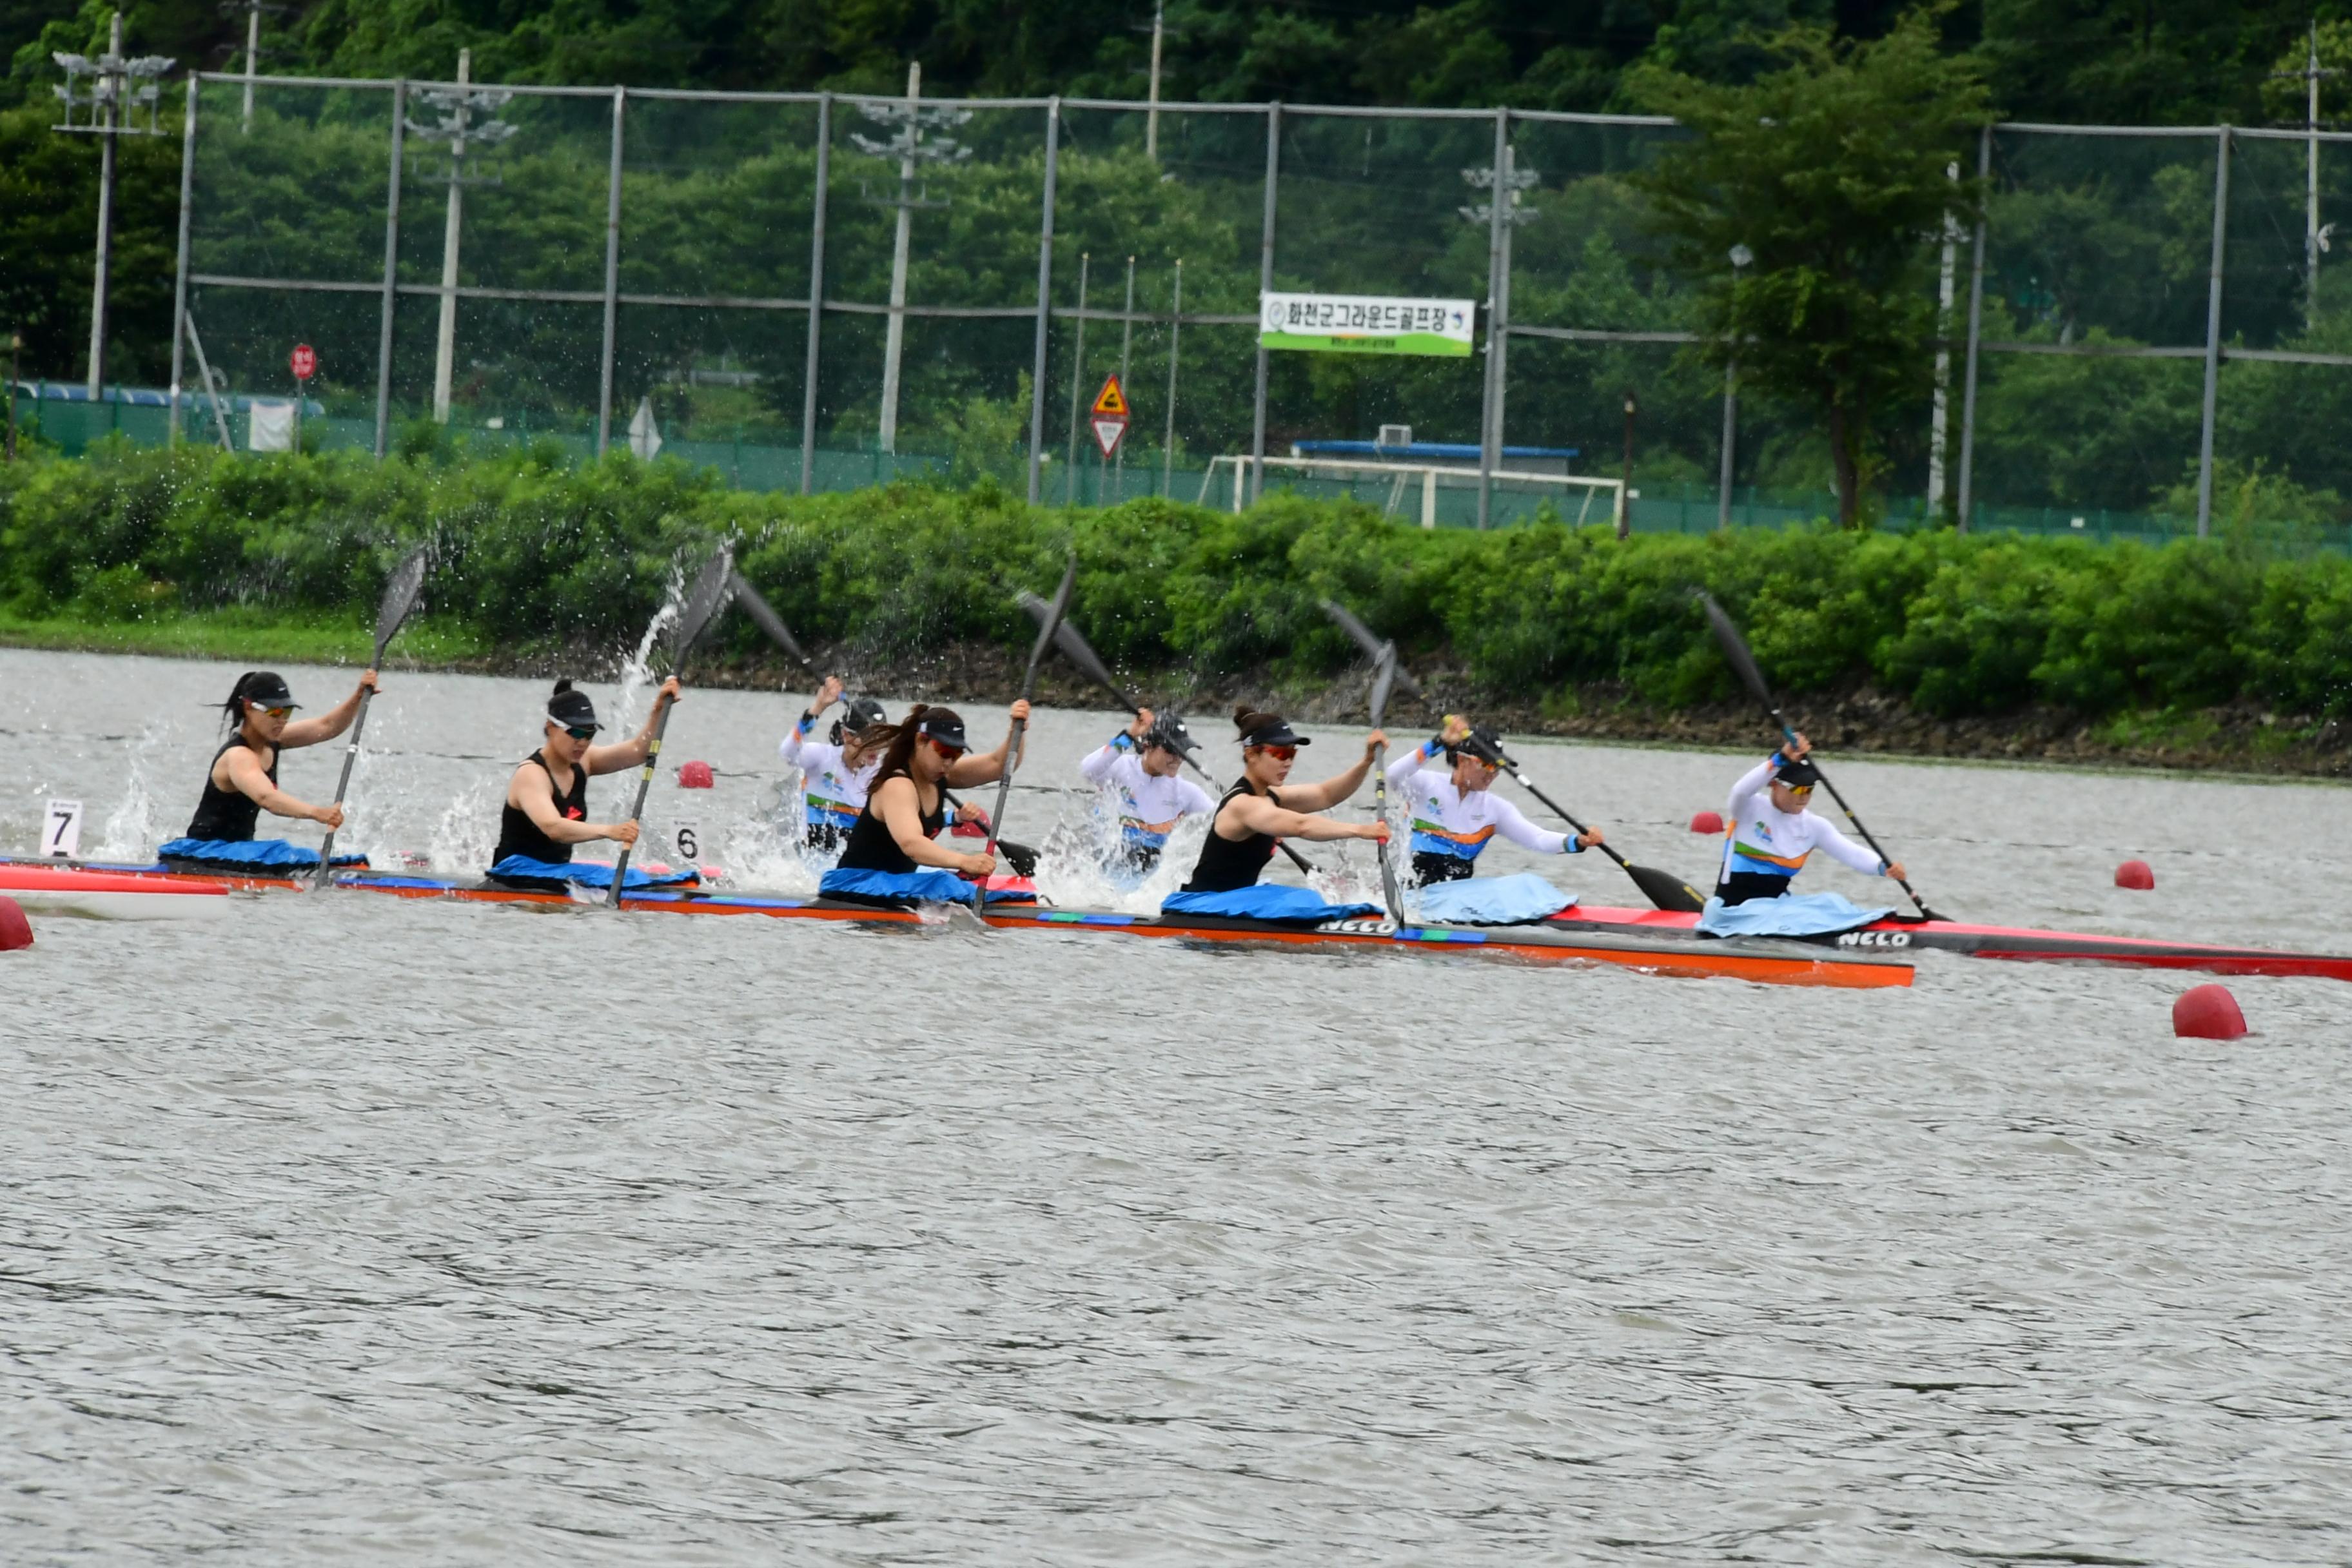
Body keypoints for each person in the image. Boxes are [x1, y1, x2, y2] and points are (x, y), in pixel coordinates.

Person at [819, 701, 1031, 906]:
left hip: (894, 882)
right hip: (854, 884)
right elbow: (911, 844)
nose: (949, 762)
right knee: (943, 882)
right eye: (944, 752)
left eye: (956, 755)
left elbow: (999, 765)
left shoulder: (940, 774)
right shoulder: (898, 785)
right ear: (921, 741)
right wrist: (964, 861)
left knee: (948, 879)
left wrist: (1016, 731)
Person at [1179, 708, 1392, 894]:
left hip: (1235, 903)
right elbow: (1302, 826)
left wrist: (1366, 761)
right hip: (1206, 906)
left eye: (1292, 753)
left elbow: (1327, 794)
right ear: (1252, 754)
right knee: (1303, 899)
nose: (1288, 762)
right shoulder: (1241, 804)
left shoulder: (1271, 796)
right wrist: (1361, 830)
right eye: (1280, 753)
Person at [489, 677, 680, 876]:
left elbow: (640, 751)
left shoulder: (585, 761)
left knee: (630, 877)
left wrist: (658, 710)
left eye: (589, 733)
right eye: (575, 732)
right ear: (550, 727)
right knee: (626, 877)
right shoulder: (531, 774)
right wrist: (610, 831)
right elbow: (553, 827)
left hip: (554, 874)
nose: (582, 742)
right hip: (514, 873)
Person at [1386, 715, 1603, 885]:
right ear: (1463, 760)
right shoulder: (1426, 785)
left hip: (1452, 900)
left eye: (1498, 767)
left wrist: (1579, 841)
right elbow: (1393, 775)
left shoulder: (1495, 810)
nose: (1493, 774)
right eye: (1488, 765)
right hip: (1408, 894)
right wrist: (1439, 742)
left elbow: (1538, 839)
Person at [181, 669, 379, 845]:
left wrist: (359, 696)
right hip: (205, 853)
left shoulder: (273, 739)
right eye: (275, 711)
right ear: (248, 707)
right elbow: (266, 797)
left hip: (239, 851)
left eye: (287, 711)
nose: (282, 720)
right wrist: (318, 813)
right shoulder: (238, 756)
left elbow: (326, 727)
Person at [1716, 733, 1905, 905]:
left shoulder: (1814, 827)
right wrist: (1780, 760)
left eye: (1810, 788)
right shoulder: (1747, 808)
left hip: (1775, 909)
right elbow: (1740, 790)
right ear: (1774, 783)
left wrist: (1883, 867)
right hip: (1732, 910)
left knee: (1833, 902)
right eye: (1798, 788)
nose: (1804, 796)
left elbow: (1852, 853)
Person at [1077, 707, 1215, 876]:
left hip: (1146, 879)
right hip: (1102, 867)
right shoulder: (1120, 768)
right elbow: (1087, 770)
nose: (1178, 758)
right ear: (1148, 746)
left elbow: (1222, 821)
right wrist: (1129, 736)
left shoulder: (1186, 792)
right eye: (1171, 751)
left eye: (1182, 751)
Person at [780, 675, 892, 850]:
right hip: (810, 855)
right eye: (870, 738)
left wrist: (949, 819)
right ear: (846, 735)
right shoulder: (821, 757)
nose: (876, 747)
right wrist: (818, 708)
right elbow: (788, 753)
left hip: (850, 863)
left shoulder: (883, 776)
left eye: (882, 738)